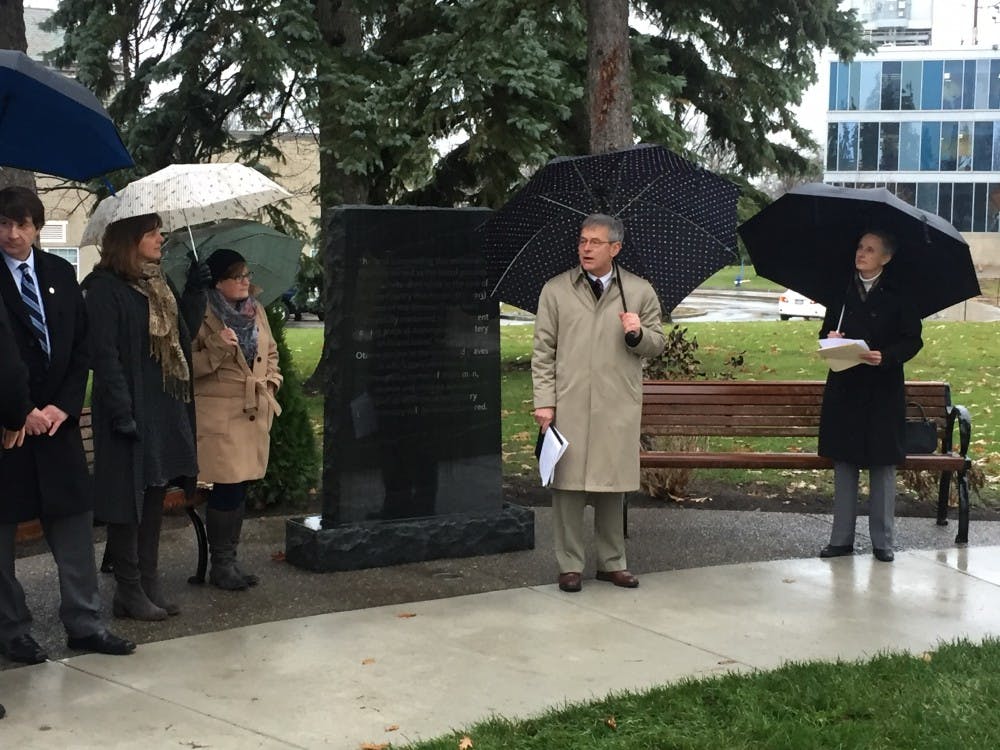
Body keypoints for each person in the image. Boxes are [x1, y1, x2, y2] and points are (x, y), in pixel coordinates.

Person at [0, 186, 135, 661]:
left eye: (22, 224)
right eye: (3, 224)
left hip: (56, 427)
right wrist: (19, 412)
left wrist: (64, 405)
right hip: (10, 431)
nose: (12, 234)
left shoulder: (58, 273)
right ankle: (12, 630)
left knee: (75, 526)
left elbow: (83, 348)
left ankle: (85, 623)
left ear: (37, 227)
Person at [83, 213, 210, 620]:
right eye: (152, 233)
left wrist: (194, 289)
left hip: (162, 405)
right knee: (127, 500)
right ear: (130, 239)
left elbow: (180, 333)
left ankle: (149, 581)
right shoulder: (105, 289)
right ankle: (129, 589)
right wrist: (121, 412)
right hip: (129, 408)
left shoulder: (158, 282)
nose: (160, 238)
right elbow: (104, 357)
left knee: (155, 492)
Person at [531, 213, 666, 593]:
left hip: (616, 403)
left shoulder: (638, 292)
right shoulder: (555, 290)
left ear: (615, 248)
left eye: (595, 242)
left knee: (612, 486)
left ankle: (612, 563)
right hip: (568, 402)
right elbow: (542, 352)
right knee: (568, 488)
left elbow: (657, 344)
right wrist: (544, 402)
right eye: (582, 241)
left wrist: (638, 335)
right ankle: (569, 565)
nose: (586, 248)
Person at [817, 230, 923, 563]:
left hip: (882, 389)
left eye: (870, 249)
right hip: (845, 387)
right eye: (860, 247)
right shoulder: (843, 290)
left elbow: (912, 340)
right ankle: (841, 538)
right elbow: (825, 331)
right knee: (844, 462)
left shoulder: (899, 293)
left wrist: (886, 356)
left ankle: (883, 541)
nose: (861, 253)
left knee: (882, 464)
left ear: (885, 258)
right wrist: (830, 336)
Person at [191, 248, 281, 590]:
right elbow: (185, 367)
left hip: (253, 411)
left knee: (239, 487)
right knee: (227, 487)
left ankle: (230, 560)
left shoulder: (255, 309)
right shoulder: (201, 311)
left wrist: (271, 381)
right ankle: (221, 565)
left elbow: (270, 351)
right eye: (237, 276)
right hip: (219, 414)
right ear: (218, 282)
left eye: (247, 275)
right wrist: (216, 344)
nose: (245, 282)